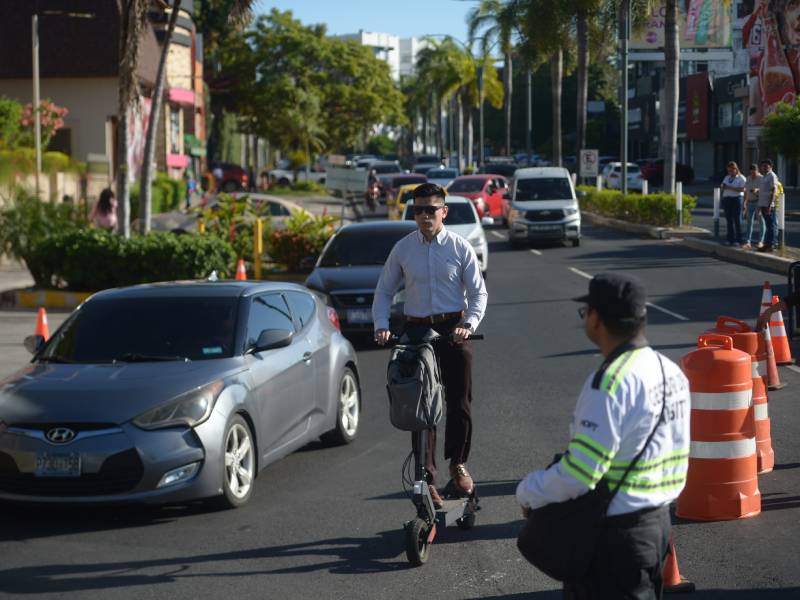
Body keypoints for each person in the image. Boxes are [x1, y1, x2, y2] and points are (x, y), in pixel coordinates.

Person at [516, 273, 690, 599]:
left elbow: (581, 472)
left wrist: (528, 492)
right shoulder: (671, 371)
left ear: (596, 318)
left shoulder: (609, 382)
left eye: (586, 313)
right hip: (657, 529)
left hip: (614, 540)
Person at [373, 182, 488, 507]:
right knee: (420, 405)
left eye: (431, 210)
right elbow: (384, 291)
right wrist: (382, 325)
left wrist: (468, 325)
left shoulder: (459, 247)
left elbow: (479, 292)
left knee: (459, 401)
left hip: (454, 329)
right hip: (417, 332)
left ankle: (457, 464)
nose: (424, 216)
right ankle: (426, 477)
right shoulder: (403, 249)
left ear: (444, 212)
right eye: (418, 210)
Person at [720, 161, 746, 246]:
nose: (730, 172)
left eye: (731, 170)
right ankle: (730, 239)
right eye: (728, 171)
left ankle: (738, 239)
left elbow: (743, 189)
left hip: (736, 199)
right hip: (727, 199)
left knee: (737, 220)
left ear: (735, 169)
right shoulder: (727, 177)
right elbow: (723, 186)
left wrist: (729, 187)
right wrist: (723, 187)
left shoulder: (741, 178)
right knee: (729, 220)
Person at [757, 159, 780, 252]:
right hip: (763, 204)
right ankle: (767, 244)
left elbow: (773, 191)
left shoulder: (772, 176)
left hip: (768, 205)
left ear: (771, 166)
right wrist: (759, 205)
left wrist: (770, 205)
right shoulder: (764, 177)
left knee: (771, 226)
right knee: (768, 225)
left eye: (766, 166)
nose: (764, 167)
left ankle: (771, 245)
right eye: (763, 166)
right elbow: (762, 192)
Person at [743, 163, 764, 249]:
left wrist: (757, 190)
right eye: (751, 173)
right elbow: (746, 191)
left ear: (757, 171)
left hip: (759, 202)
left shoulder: (761, 178)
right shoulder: (748, 178)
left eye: (754, 173)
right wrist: (745, 202)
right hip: (750, 202)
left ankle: (761, 241)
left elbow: (764, 189)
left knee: (761, 222)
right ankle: (748, 242)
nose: (752, 175)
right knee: (749, 222)